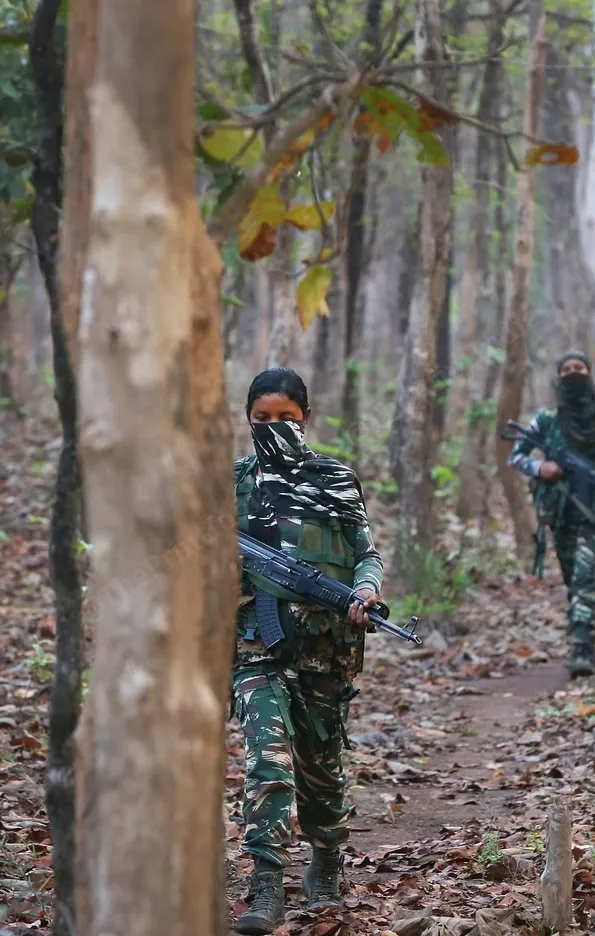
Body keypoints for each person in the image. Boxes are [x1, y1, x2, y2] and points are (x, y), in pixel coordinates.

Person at [230, 367, 384, 935]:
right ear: (248, 420)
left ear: (307, 418)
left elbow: (366, 552)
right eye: (262, 419)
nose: (274, 428)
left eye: (287, 419)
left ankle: (326, 852)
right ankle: (266, 883)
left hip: (325, 649)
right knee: (267, 757)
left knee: (321, 769)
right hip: (255, 646)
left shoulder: (335, 478)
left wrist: (365, 591)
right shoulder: (235, 482)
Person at [509, 351, 595, 677]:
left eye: (580, 368)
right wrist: (540, 467)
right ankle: (582, 624)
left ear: (590, 373)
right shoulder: (546, 420)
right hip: (560, 509)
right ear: (558, 377)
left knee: (586, 572)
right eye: (567, 369)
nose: (574, 373)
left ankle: (581, 644)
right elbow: (516, 457)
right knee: (573, 576)